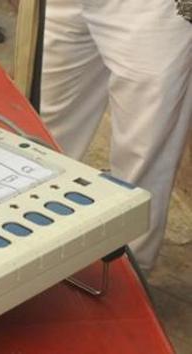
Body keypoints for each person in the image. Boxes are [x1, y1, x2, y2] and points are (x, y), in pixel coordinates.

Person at [40, 0, 192, 271]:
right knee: (41, 132)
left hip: (154, 9)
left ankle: (129, 278)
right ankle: (29, 256)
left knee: (144, 157)